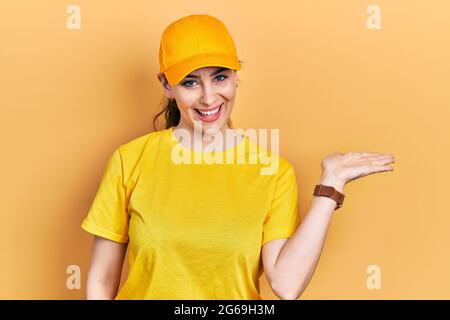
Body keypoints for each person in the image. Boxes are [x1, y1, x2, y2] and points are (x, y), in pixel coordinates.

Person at [81, 14, 396, 300]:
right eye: (190, 82)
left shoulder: (274, 173)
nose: (209, 97)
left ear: (235, 76)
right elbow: (101, 280)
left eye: (220, 78)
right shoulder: (130, 160)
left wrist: (332, 183)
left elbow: (286, 285)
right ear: (166, 84)